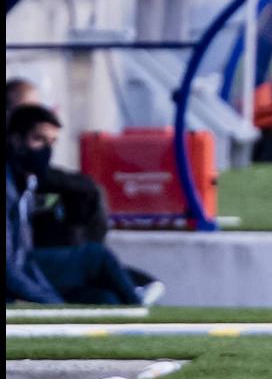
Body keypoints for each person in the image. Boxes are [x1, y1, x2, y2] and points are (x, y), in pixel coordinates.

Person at [6, 76, 161, 290]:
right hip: (24, 263)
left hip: (33, 259)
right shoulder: (15, 168)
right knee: (95, 257)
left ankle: (115, 282)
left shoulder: (31, 170)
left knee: (85, 197)